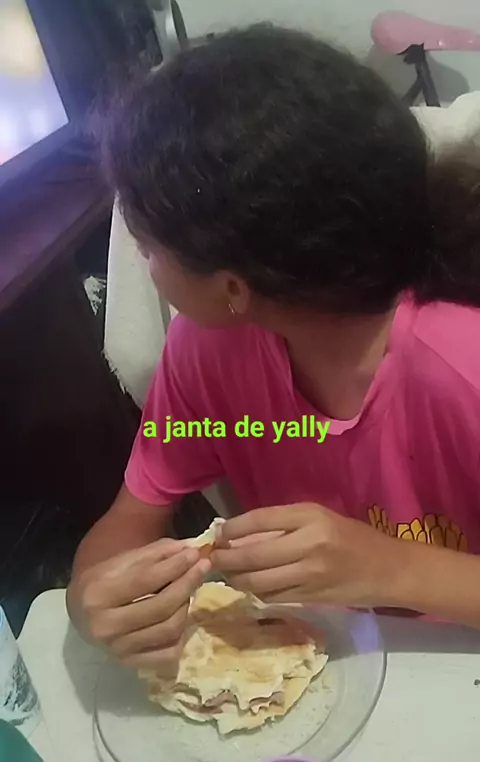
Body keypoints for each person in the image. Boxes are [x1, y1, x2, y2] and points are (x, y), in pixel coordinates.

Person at [68, 24, 480, 673]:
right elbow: (132, 517)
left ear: (233, 286)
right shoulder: (205, 351)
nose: (145, 268)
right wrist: (90, 597)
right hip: (317, 664)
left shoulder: (460, 362)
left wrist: (390, 567)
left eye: (148, 249)